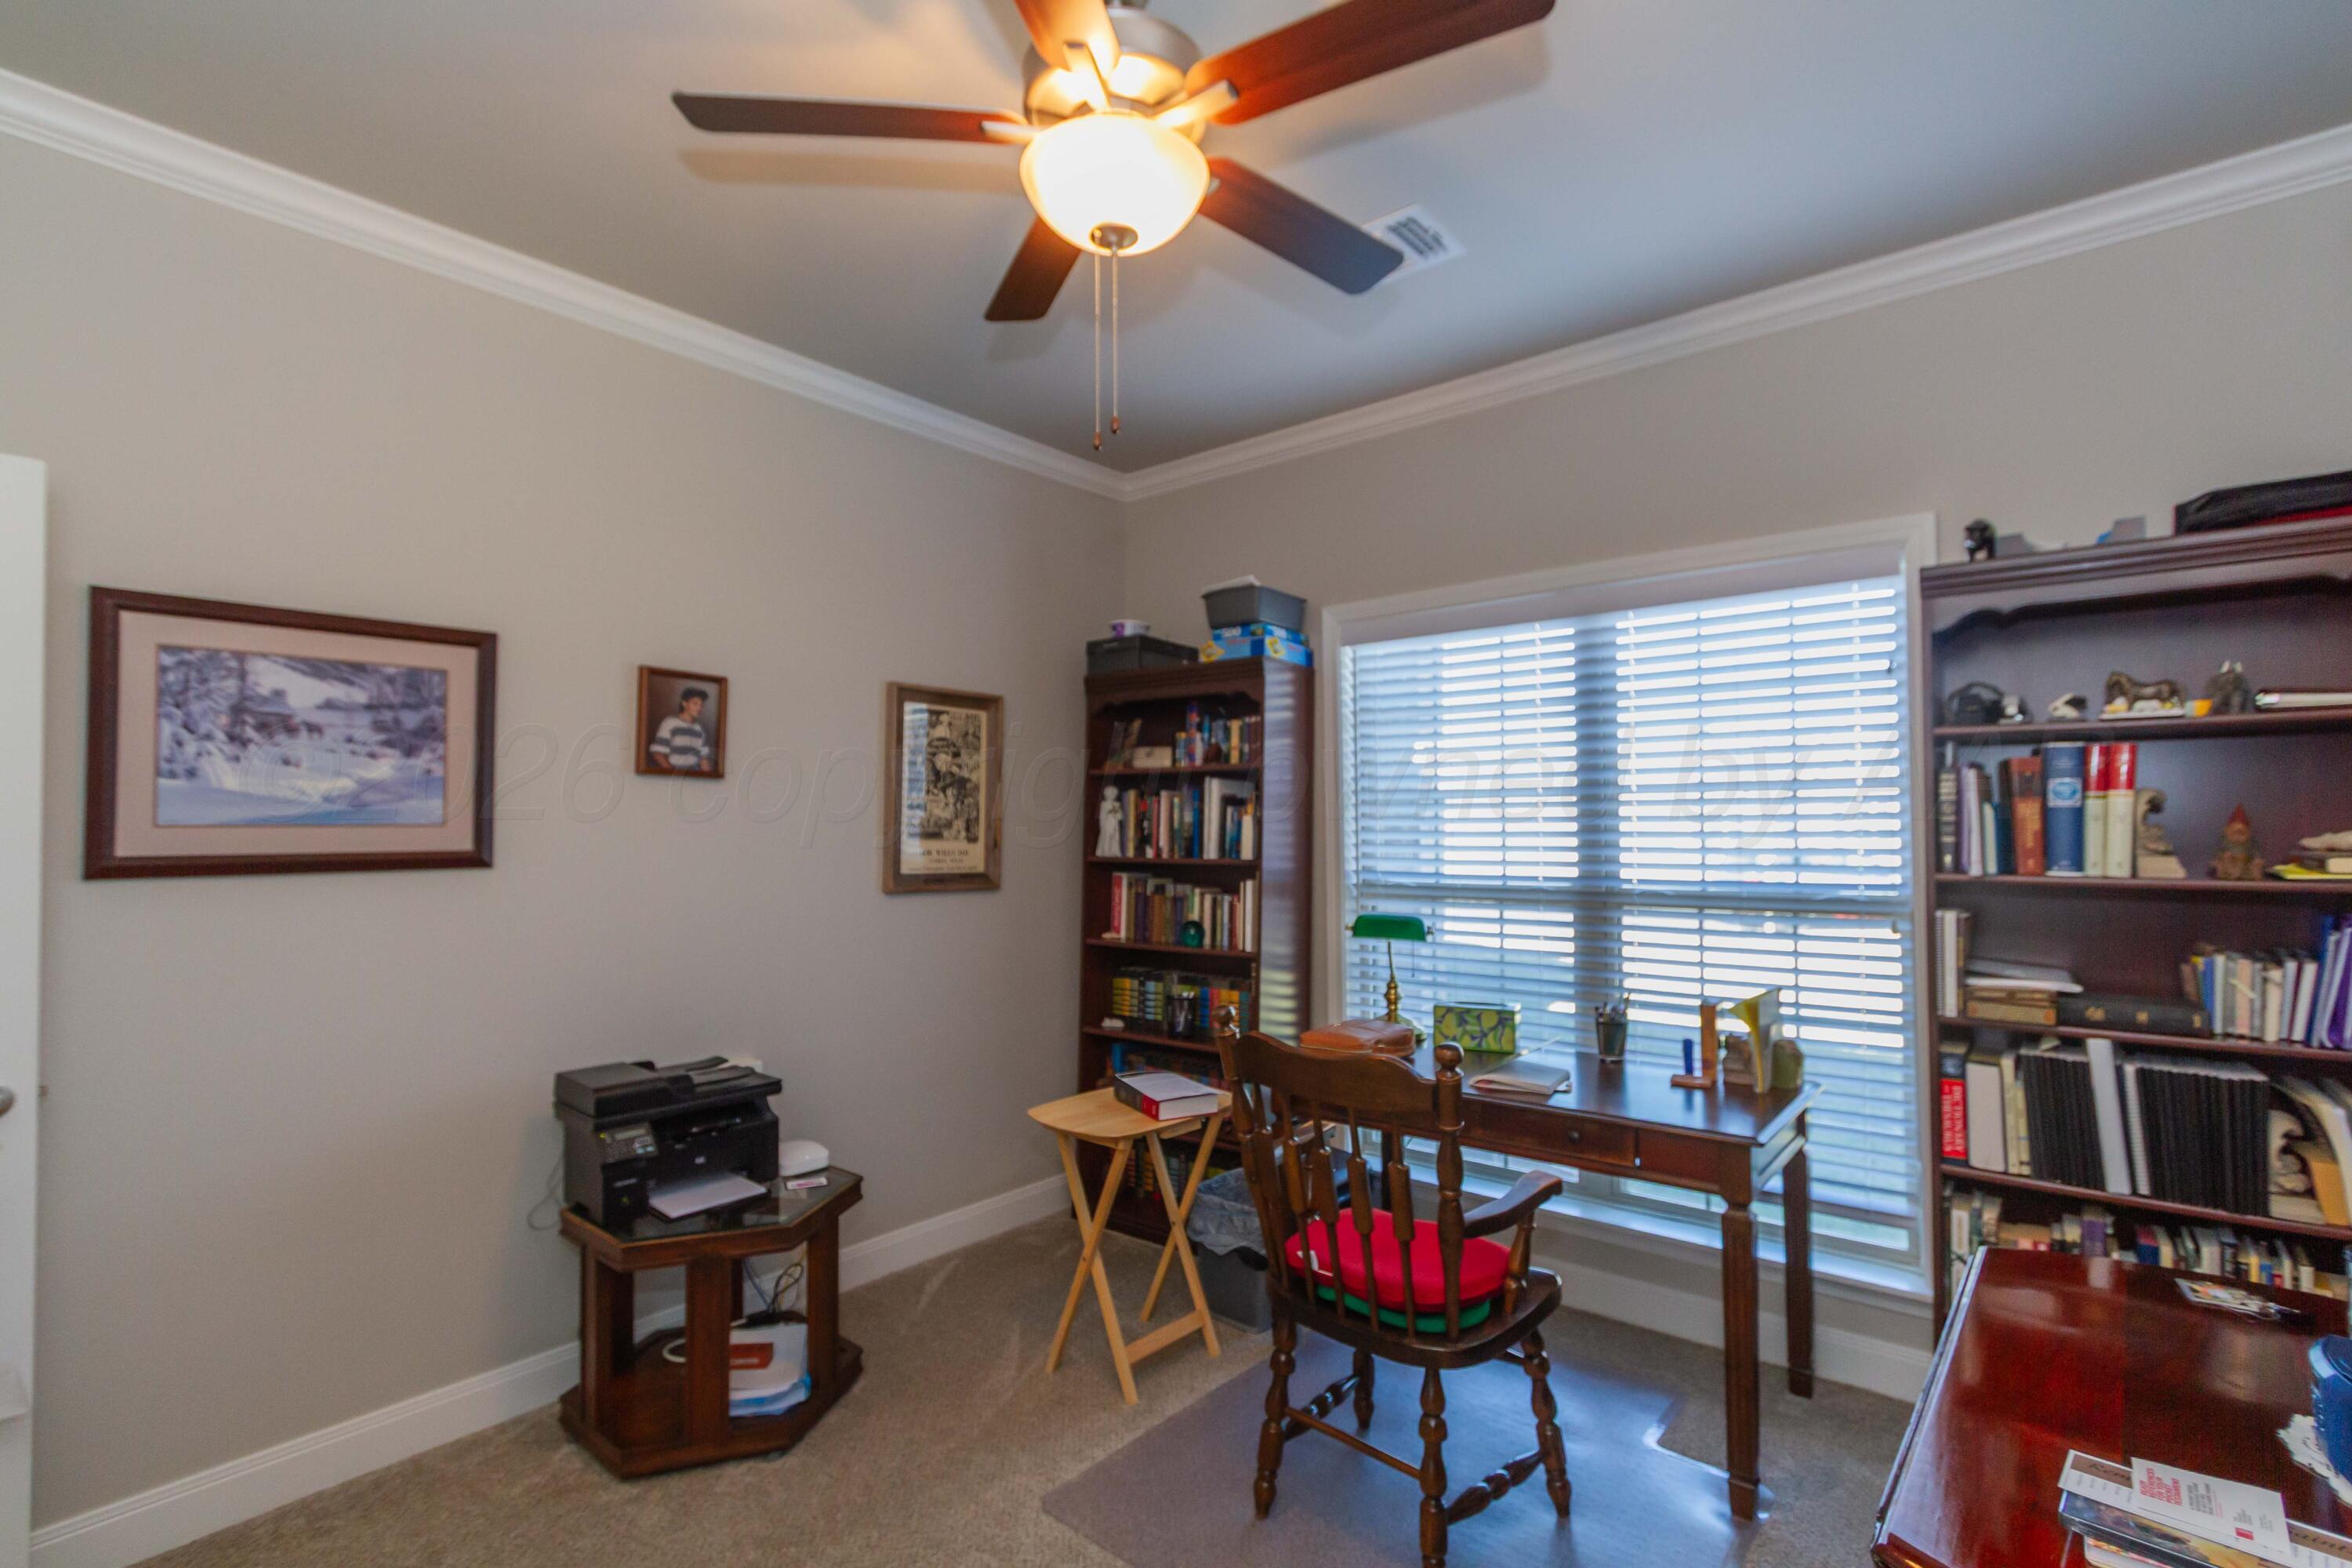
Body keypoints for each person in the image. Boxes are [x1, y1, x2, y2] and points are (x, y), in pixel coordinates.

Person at [648, 687, 715, 773]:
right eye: (695, 704)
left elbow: (704, 759)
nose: (699, 708)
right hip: (674, 776)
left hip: (695, 778)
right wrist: (672, 773)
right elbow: (657, 753)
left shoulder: (699, 729)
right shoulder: (670, 723)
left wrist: (708, 779)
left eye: (701, 705)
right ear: (684, 703)